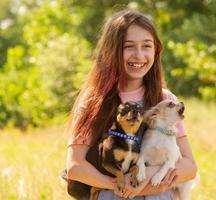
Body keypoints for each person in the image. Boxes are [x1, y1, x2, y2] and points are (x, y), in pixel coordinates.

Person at [66, 9, 198, 200]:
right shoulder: (94, 101)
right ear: (112, 50)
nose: (139, 55)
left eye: (147, 46)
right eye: (129, 46)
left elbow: (190, 167)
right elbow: (75, 168)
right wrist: (120, 184)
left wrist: (144, 182)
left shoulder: (165, 101)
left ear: (156, 50)